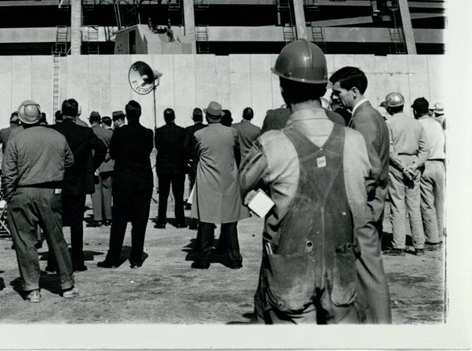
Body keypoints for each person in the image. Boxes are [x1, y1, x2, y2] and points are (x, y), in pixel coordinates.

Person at [240, 40, 377, 324]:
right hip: (342, 269)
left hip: (290, 275)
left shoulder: (271, 144)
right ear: (324, 88)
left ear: (283, 89)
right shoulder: (354, 141)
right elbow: (366, 195)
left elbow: (243, 188)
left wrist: (271, 212)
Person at [330, 65, 392, 323]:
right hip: (370, 205)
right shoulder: (371, 115)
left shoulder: (363, 118)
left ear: (354, 91)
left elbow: (370, 168)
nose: (335, 98)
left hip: (363, 208)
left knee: (369, 274)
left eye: (338, 92)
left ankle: (379, 328)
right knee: (368, 274)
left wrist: (353, 201)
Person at [1, 99, 78, 302]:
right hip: (51, 192)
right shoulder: (57, 136)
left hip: (23, 192)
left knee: (25, 241)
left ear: (21, 118)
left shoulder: (16, 139)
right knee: (57, 238)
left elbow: (8, 173)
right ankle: (67, 284)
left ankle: (32, 287)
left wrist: (8, 195)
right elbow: (70, 160)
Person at [49, 98, 107, 271]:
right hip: (78, 182)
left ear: (62, 111)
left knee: (55, 223)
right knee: (76, 223)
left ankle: (54, 261)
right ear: (76, 114)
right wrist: (91, 168)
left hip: (57, 182)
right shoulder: (85, 132)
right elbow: (102, 149)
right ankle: (77, 260)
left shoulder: (53, 130)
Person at [98, 100, 154, 269]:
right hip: (143, 180)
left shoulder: (119, 133)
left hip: (123, 180)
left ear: (126, 115)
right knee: (140, 220)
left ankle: (113, 258)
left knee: (119, 220)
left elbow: (113, 152)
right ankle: (136, 258)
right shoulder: (148, 133)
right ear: (140, 113)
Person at [190, 102, 243, 269]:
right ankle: (234, 258)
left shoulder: (199, 134)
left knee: (206, 221)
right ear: (221, 116)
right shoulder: (232, 133)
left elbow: (195, 155)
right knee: (230, 221)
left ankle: (203, 258)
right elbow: (237, 155)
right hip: (228, 180)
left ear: (207, 116)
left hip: (208, 181)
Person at [382, 91, 428, 255]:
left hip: (397, 166)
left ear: (388, 107)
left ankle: (399, 245)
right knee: (414, 206)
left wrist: (403, 167)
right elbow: (425, 149)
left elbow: (390, 150)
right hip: (413, 165)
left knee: (397, 205)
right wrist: (414, 166)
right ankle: (419, 245)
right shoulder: (416, 123)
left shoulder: (388, 123)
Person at [412, 97, 445, 248]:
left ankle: (433, 238)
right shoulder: (437, 124)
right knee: (441, 202)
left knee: (427, 204)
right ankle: (442, 234)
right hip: (440, 164)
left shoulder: (417, 125)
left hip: (426, 165)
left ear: (415, 111)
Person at [153, 107, 189, 229]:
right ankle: (180, 221)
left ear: (164, 117)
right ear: (174, 117)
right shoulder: (182, 131)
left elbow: (158, 147)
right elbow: (184, 149)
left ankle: (161, 221)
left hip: (163, 166)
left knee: (163, 195)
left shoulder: (159, 132)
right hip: (178, 167)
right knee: (178, 195)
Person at [90, 111, 114, 227]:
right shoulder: (108, 133)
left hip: (94, 164)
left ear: (90, 120)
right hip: (107, 164)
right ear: (100, 121)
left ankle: (98, 218)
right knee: (107, 191)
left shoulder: (89, 132)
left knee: (95, 192)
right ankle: (108, 217)